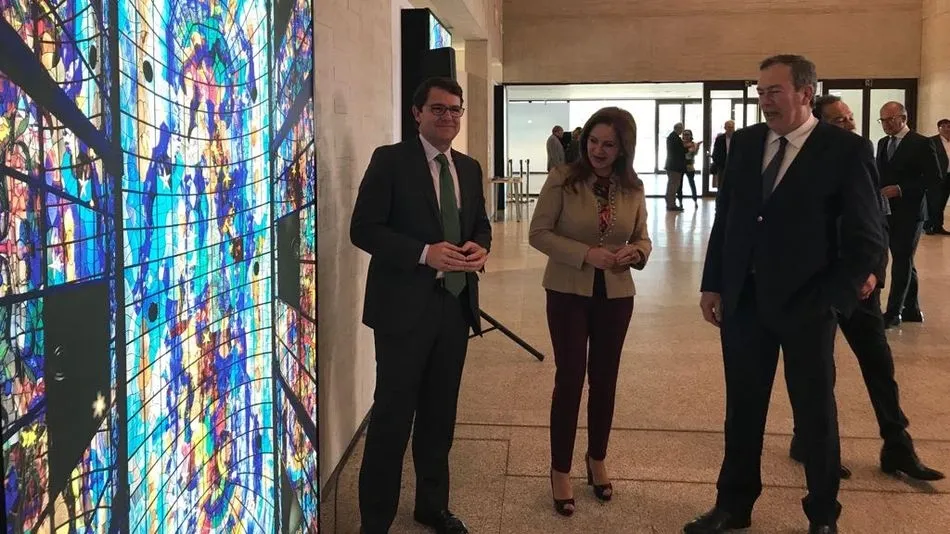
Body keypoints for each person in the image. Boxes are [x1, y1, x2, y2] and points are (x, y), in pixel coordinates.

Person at [686, 55, 884, 534]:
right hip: (745, 303)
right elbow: (728, 220)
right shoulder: (747, 144)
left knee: (815, 414)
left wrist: (834, 302)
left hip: (808, 306)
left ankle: (822, 514)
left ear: (805, 93)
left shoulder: (845, 149)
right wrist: (714, 282)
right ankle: (734, 505)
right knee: (743, 409)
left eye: (773, 91)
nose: (764, 101)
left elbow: (868, 239)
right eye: (760, 92)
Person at [350, 77, 492, 534]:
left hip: (454, 308)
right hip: (403, 311)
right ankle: (375, 520)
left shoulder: (468, 168)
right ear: (417, 113)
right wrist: (423, 253)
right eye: (438, 109)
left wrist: (480, 248)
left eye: (455, 109)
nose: (448, 116)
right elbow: (364, 229)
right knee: (392, 419)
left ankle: (432, 506)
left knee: (439, 416)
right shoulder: (391, 161)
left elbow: (481, 225)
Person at [785, 95, 943, 482]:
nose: (849, 125)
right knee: (819, 371)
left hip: (861, 287)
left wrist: (874, 274)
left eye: (850, 118)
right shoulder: (801, 168)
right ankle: (810, 442)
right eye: (839, 121)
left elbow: (877, 226)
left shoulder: (862, 160)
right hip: (819, 288)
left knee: (879, 365)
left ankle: (897, 447)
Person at [529, 107, 652, 517]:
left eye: (609, 144)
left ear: (623, 148)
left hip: (617, 295)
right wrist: (586, 254)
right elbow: (538, 233)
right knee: (570, 378)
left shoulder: (632, 186)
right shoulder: (563, 179)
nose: (599, 150)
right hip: (567, 291)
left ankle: (596, 458)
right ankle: (559, 468)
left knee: (605, 379)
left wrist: (638, 252)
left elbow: (642, 236)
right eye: (594, 141)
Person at [876, 102, 942, 328]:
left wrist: (901, 189)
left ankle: (894, 313)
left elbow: (934, 179)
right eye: (882, 120)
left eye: (889, 120)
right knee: (905, 260)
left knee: (901, 260)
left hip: (911, 212)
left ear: (903, 118)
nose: (885, 125)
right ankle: (912, 309)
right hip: (887, 211)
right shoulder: (883, 143)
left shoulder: (922, 144)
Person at [926, 118, 950, 234]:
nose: (947, 129)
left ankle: (938, 226)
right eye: (944, 127)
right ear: (939, 129)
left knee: (942, 203)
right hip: (937, 176)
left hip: (949, 177)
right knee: (933, 202)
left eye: (949, 127)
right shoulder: (931, 141)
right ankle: (928, 226)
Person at [665, 122, 687, 211]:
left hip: (673, 165)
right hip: (674, 166)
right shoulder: (674, 138)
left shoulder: (673, 137)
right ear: (678, 128)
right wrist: (688, 147)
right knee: (673, 185)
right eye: (681, 129)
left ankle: (671, 203)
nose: (682, 131)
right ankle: (671, 204)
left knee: (673, 185)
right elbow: (679, 151)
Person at [680, 129, 703, 206]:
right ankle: (680, 201)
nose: (686, 136)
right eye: (684, 134)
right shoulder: (680, 143)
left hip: (690, 166)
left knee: (692, 183)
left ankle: (695, 200)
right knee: (679, 185)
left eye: (687, 134)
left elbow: (695, 153)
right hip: (680, 165)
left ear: (691, 136)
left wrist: (697, 147)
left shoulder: (694, 144)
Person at [710, 120, 735, 188]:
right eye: (729, 127)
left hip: (734, 166)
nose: (731, 129)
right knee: (721, 186)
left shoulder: (738, 138)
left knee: (733, 186)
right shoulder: (720, 139)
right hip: (722, 166)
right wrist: (718, 163)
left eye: (732, 127)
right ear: (725, 128)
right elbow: (715, 152)